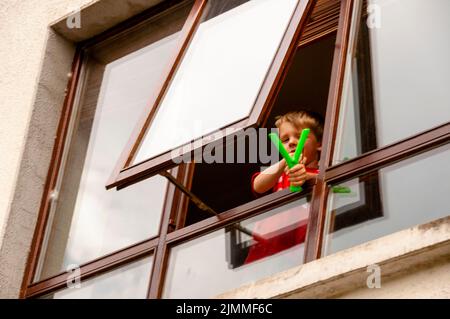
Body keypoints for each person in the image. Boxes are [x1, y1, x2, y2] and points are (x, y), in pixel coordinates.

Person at [244, 111, 323, 264]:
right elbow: (258, 185)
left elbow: (334, 183)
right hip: (269, 246)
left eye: (299, 137)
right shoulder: (280, 173)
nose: (292, 142)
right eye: (285, 139)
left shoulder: (322, 172)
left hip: (305, 244)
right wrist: (283, 164)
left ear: (319, 144)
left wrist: (307, 177)